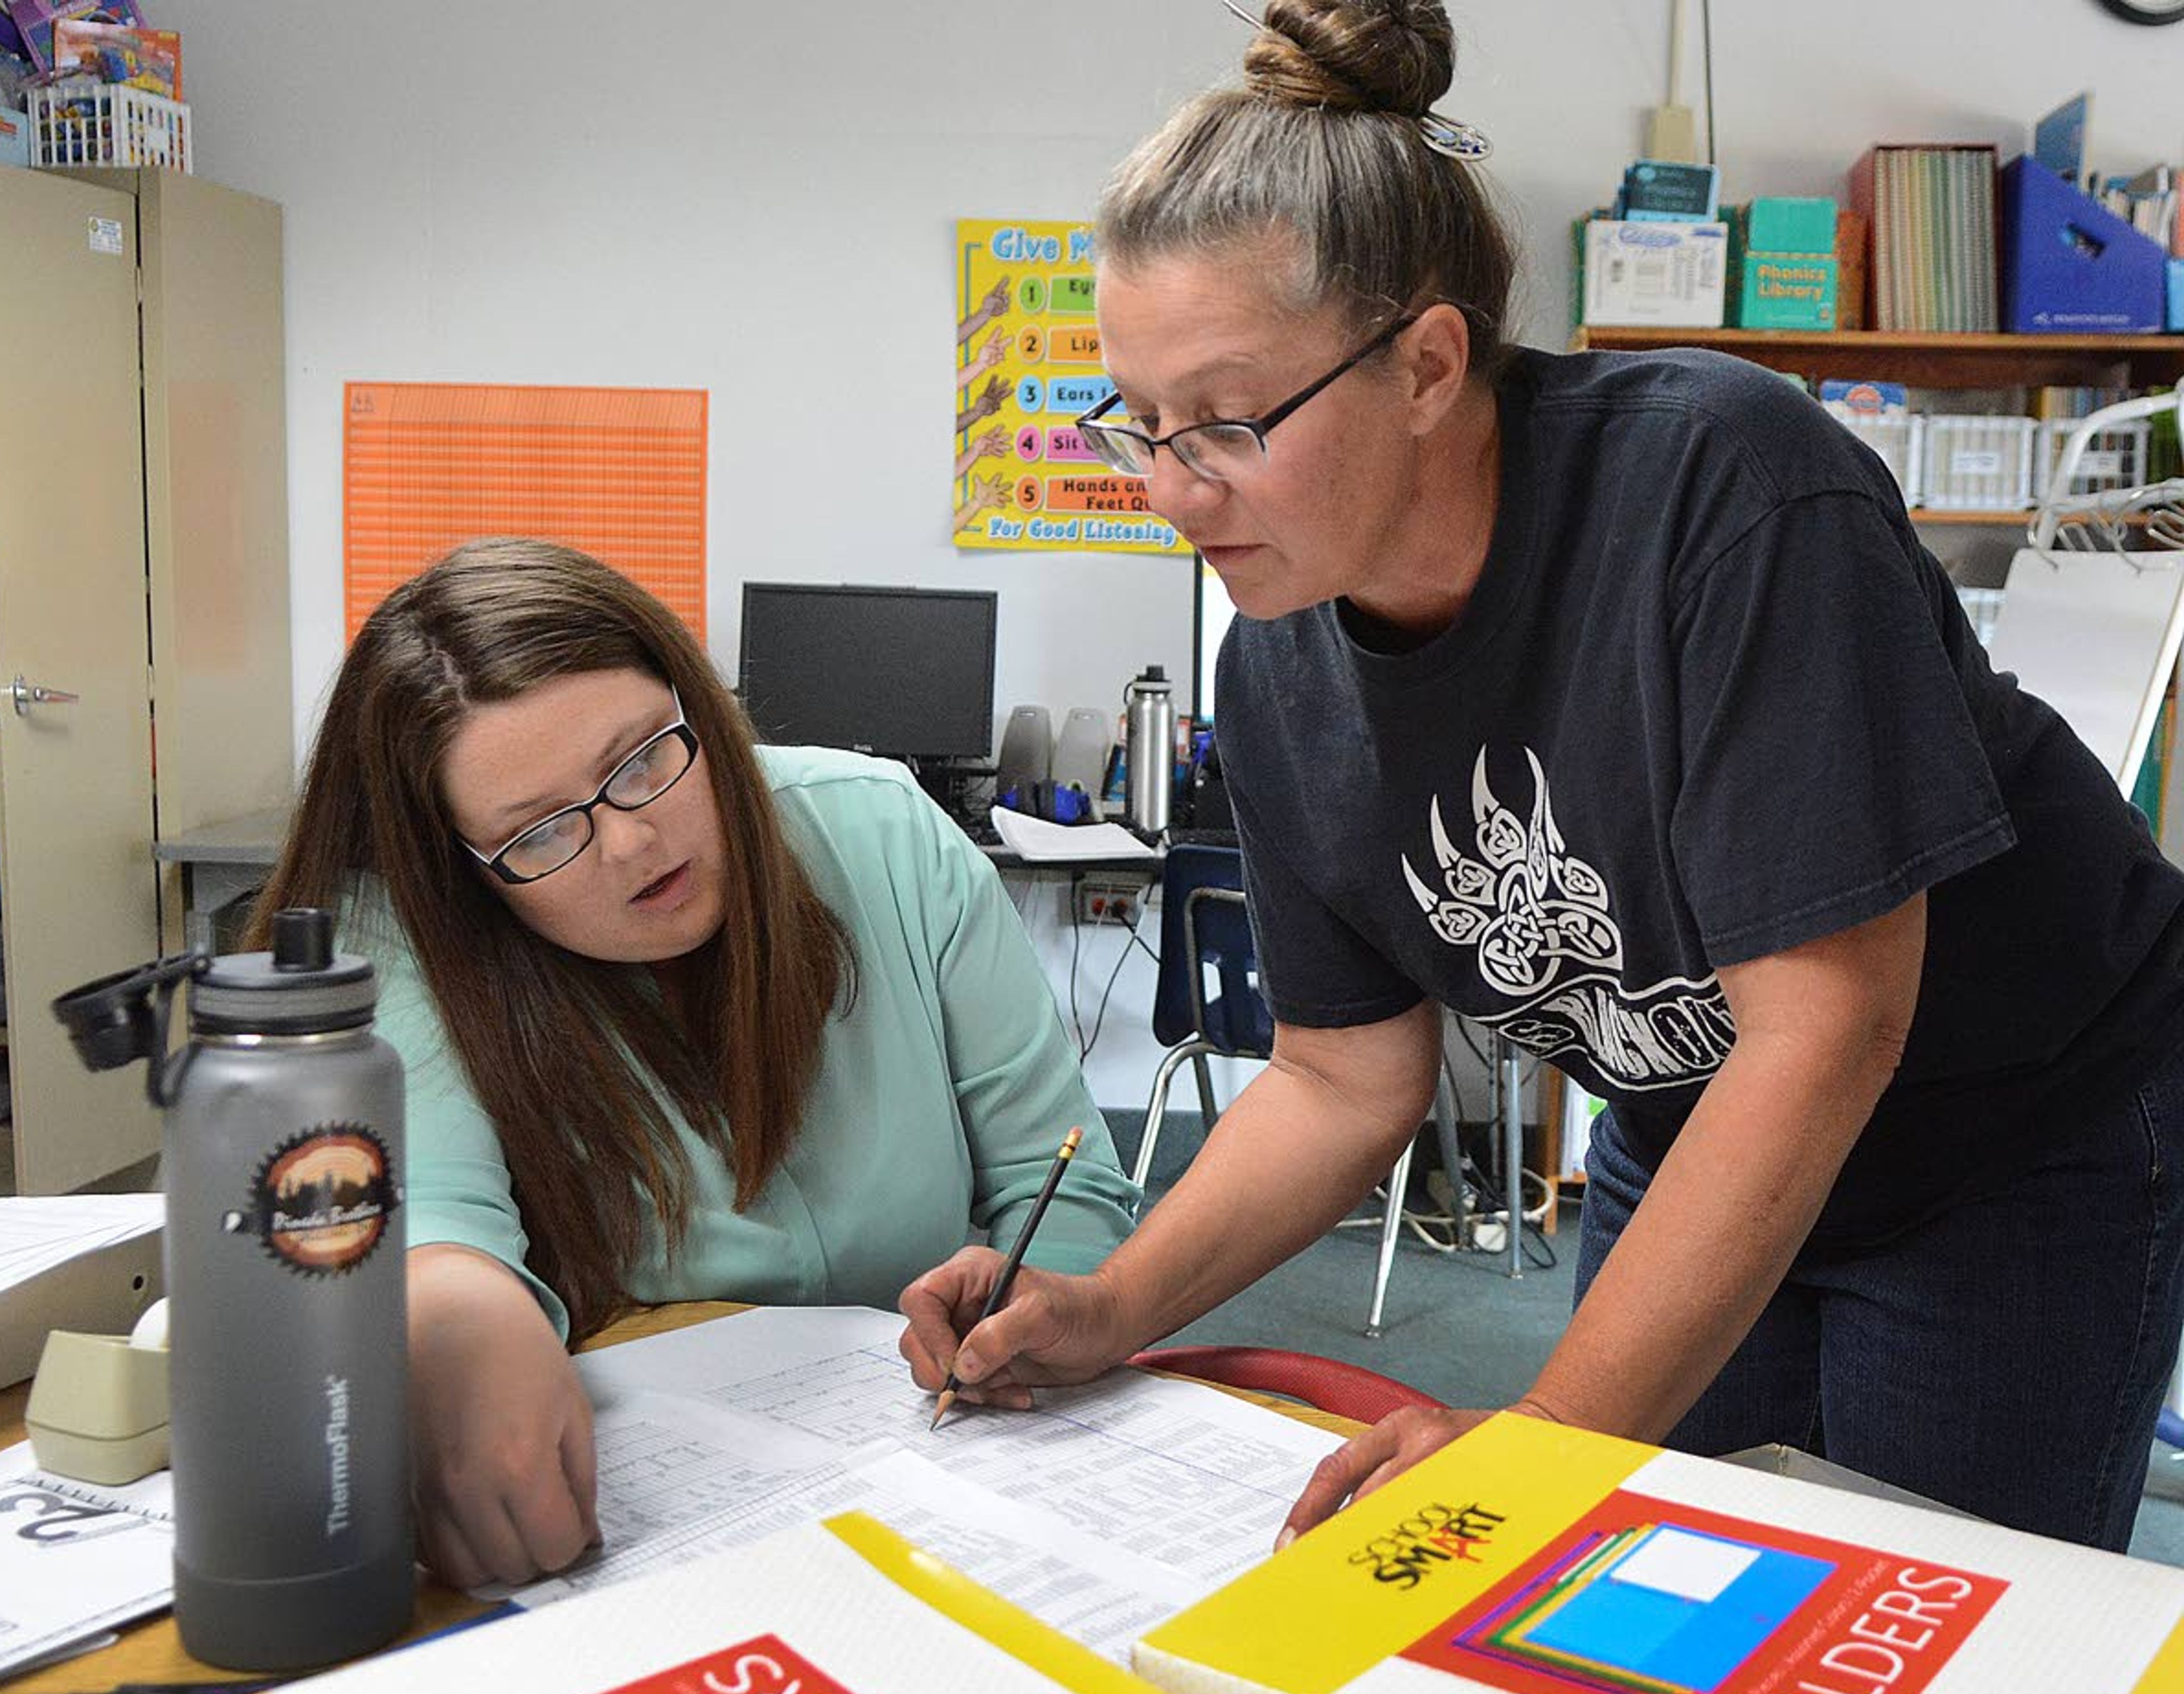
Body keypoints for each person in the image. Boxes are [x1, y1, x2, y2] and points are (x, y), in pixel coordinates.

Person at [899, 0, 2184, 1553]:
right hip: (1689, 1108)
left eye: (1230, 423)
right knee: (1660, 1596)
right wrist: (1114, 1302)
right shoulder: (1278, 666)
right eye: (1142, 425)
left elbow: (1829, 1021)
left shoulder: (1723, 491)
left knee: (1921, 1633)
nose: (1173, 491)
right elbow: (1337, 1077)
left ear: (1429, 362)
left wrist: (1543, 1441)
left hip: (2009, 1124)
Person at [250, 539, 1136, 1589]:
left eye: (642, 762)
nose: (632, 846)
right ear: (462, 871)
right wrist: (458, 1324)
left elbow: (1066, 1182)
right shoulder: (411, 941)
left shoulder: (880, 832)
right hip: (663, 1536)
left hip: (965, 1475)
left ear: (699, 708)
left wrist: (1037, 1299)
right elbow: (430, 1228)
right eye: (537, 833)